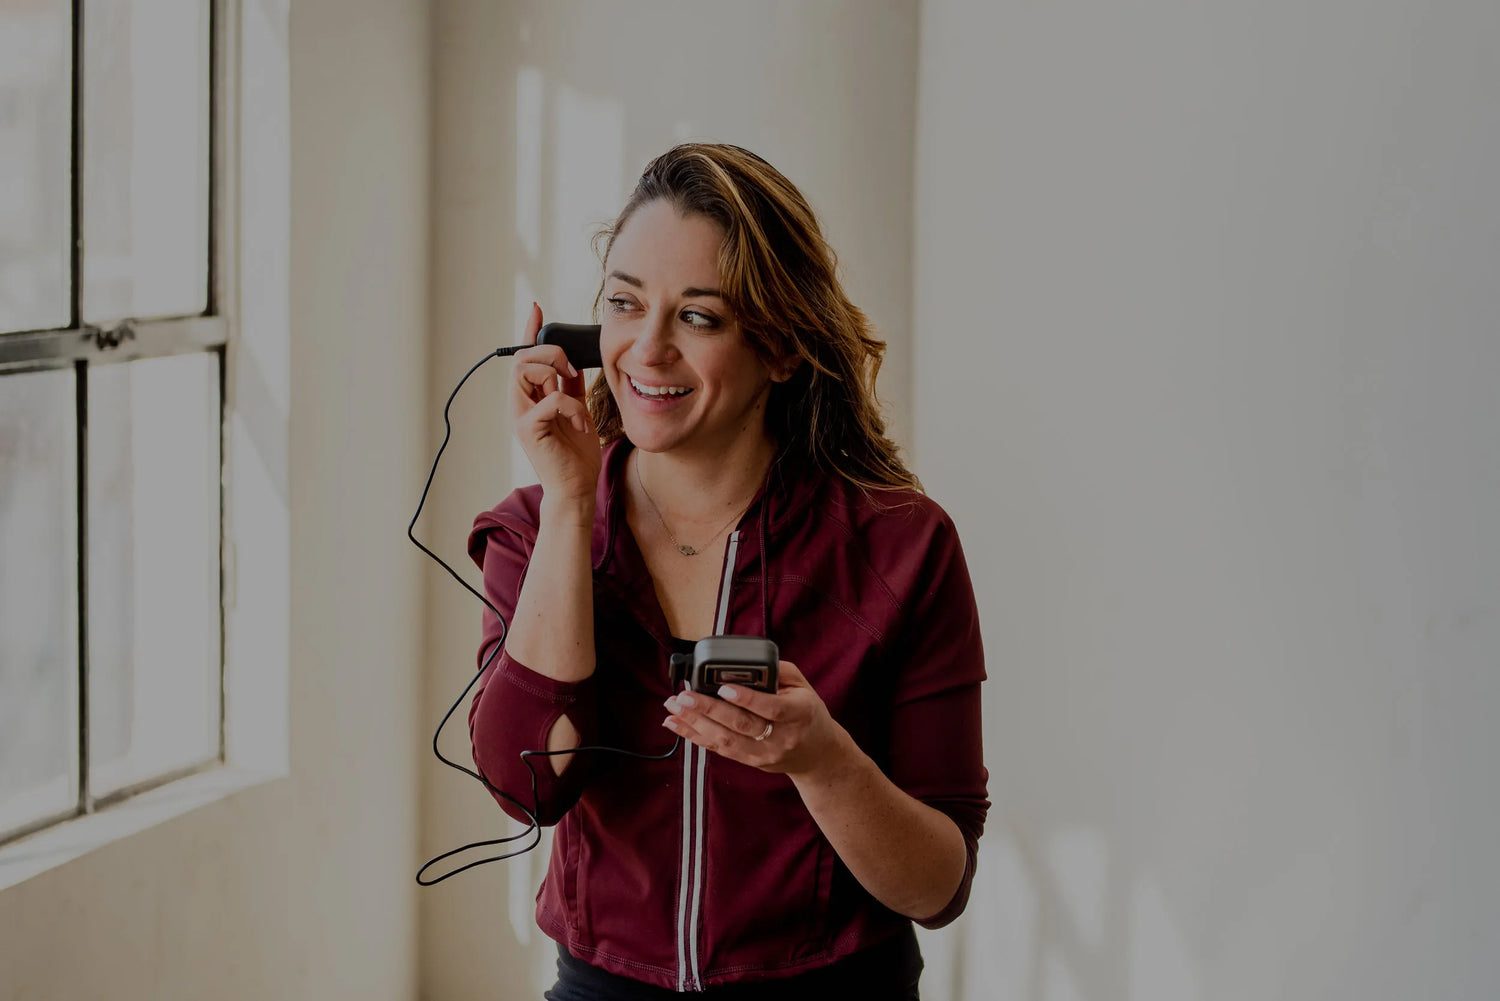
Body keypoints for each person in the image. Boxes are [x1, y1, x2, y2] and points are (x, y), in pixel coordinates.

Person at [467, 143, 988, 1000]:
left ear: (781, 347)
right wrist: (568, 502)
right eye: (626, 304)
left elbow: (938, 887)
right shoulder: (535, 531)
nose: (647, 350)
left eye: (699, 317)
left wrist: (822, 761)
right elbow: (528, 787)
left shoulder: (903, 546)